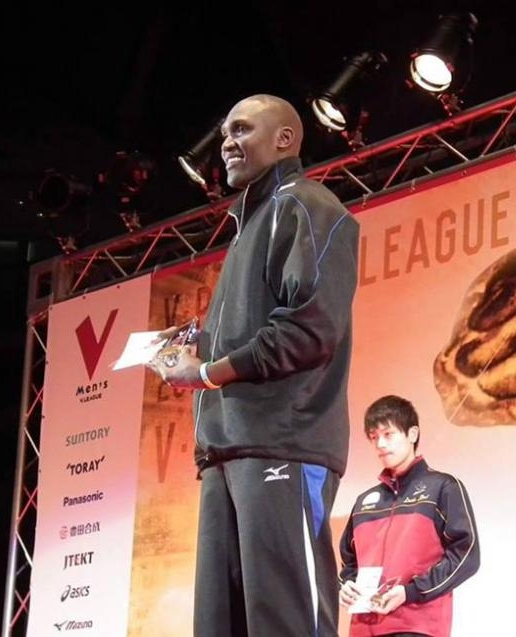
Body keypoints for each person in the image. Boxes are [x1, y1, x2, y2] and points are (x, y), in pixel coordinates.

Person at [149, 94, 359, 637]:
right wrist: (199, 344)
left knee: (287, 622)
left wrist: (204, 372)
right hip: (226, 451)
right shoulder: (250, 225)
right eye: (224, 133)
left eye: (241, 130)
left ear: (284, 139)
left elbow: (308, 330)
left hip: (282, 444)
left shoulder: (306, 205)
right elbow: (261, 331)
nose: (226, 143)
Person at [338, 395, 480, 637]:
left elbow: (466, 555)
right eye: (374, 437)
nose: (380, 444)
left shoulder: (443, 487)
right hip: (363, 628)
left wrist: (410, 591)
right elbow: (349, 562)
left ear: (412, 434)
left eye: (388, 434)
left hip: (418, 626)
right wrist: (347, 586)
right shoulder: (364, 501)